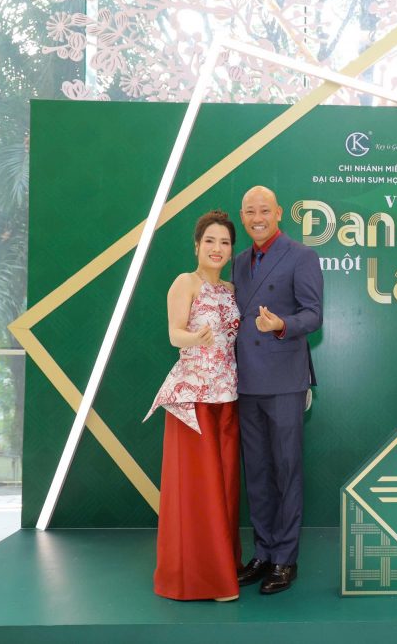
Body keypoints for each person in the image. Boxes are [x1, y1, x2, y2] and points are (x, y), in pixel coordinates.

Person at [144, 209, 242, 601]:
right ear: (197, 246)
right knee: (198, 489)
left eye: (225, 242)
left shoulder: (232, 290)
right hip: (193, 400)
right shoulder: (185, 283)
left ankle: (222, 567)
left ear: (231, 249)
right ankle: (203, 578)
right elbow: (173, 334)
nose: (217, 248)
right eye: (210, 241)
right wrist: (194, 338)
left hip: (227, 397)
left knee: (224, 488)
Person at [233, 185, 323, 595]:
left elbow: (313, 314)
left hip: (285, 379)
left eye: (264, 210)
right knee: (257, 472)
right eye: (250, 211)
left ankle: (286, 558)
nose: (258, 218)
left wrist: (282, 324)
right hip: (246, 382)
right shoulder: (238, 262)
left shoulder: (302, 256)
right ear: (243, 216)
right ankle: (264, 552)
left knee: (286, 469)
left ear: (279, 213)